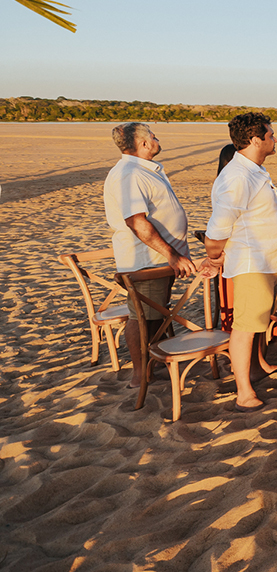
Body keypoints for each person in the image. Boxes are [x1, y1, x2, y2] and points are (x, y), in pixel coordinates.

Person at [205, 112, 277, 412]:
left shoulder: (253, 170)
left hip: (266, 261)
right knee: (243, 327)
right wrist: (214, 258)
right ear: (256, 140)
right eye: (270, 135)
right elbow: (216, 231)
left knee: (255, 323)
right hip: (252, 263)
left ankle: (253, 373)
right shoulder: (238, 176)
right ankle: (243, 391)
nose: (275, 138)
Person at [103, 123, 201, 388]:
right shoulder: (129, 174)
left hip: (158, 260)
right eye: (153, 137)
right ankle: (140, 375)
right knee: (142, 316)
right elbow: (137, 222)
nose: (157, 140)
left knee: (153, 315)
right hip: (147, 261)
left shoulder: (140, 170)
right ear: (144, 144)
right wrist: (171, 254)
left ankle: (151, 365)